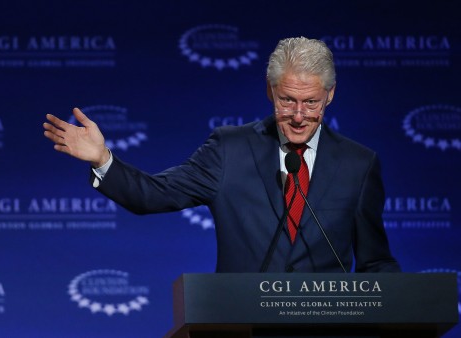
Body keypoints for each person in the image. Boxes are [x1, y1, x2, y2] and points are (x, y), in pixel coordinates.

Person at [43, 36, 401, 273]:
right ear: (269, 90)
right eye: (287, 100)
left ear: (331, 95)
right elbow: (152, 195)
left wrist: (402, 305)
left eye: (311, 103)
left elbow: (375, 261)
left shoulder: (359, 164)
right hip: (242, 325)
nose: (297, 115)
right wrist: (102, 158)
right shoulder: (230, 150)